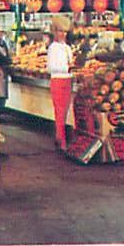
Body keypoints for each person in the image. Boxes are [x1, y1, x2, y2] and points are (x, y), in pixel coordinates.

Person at [47, 16, 73, 151]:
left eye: (65, 32)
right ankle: (60, 139)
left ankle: (60, 137)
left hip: (68, 80)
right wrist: (66, 68)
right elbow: (50, 67)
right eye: (61, 31)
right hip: (57, 80)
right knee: (60, 111)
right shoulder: (53, 48)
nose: (63, 34)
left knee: (66, 110)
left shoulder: (68, 48)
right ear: (55, 32)